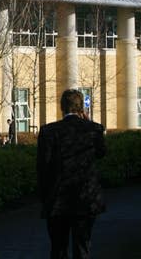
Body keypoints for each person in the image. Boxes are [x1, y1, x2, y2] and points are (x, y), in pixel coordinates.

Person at [37, 89, 106, 259]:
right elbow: (101, 153)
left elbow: (42, 167)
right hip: (85, 199)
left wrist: (44, 198)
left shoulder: (48, 132)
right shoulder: (93, 129)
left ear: (62, 107)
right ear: (82, 108)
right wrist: (90, 123)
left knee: (58, 249)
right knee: (82, 248)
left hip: (57, 200)